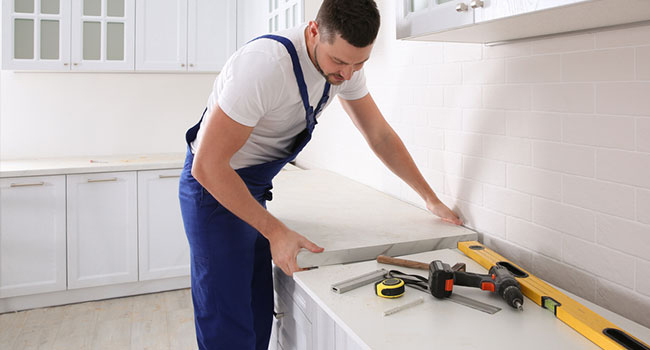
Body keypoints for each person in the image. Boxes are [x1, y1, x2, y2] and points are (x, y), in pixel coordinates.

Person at [178, 0, 462, 348]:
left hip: (251, 189)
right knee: (226, 320)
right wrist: (275, 231)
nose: (347, 75)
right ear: (314, 31)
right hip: (213, 190)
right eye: (339, 62)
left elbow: (380, 135)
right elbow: (207, 165)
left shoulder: (346, 70)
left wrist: (430, 199)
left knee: (254, 308)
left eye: (360, 63)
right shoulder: (265, 67)